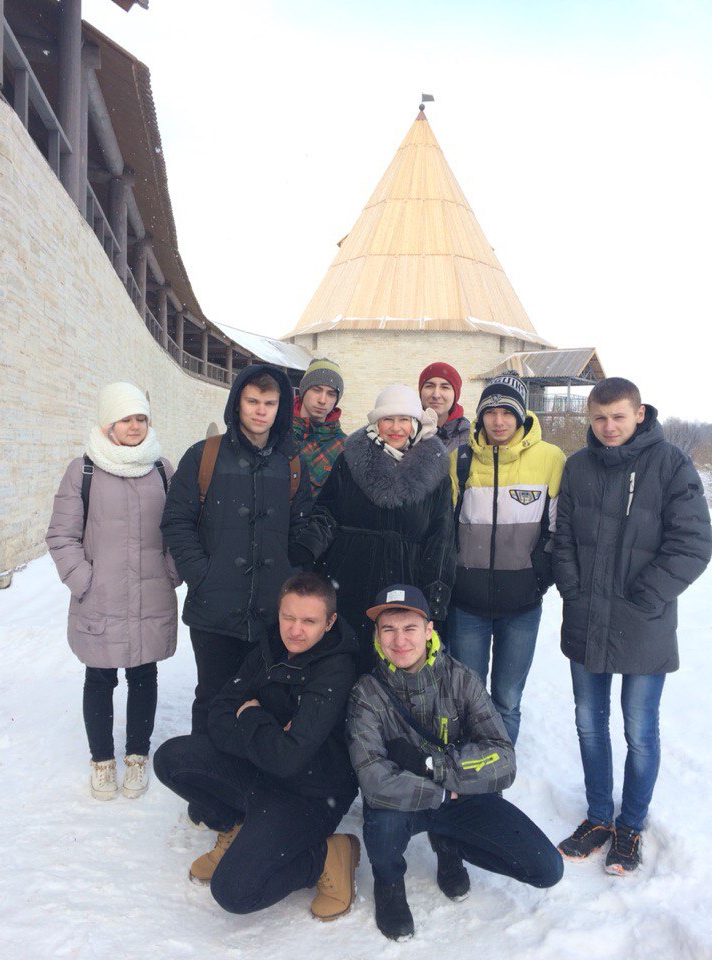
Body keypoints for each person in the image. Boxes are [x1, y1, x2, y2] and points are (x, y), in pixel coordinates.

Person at [554, 377, 711, 875]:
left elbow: (693, 543)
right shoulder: (578, 467)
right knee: (589, 723)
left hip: (644, 623)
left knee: (640, 730)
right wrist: (572, 588)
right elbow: (562, 536)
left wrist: (647, 595)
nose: (608, 427)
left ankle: (631, 825)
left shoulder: (670, 464)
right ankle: (599, 817)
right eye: (599, 418)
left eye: (618, 416)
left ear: (639, 414)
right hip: (586, 618)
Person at [346, 585, 563, 941]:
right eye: (389, 629)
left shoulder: (462, 679)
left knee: (545, 868)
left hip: (457, 790)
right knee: (382, 823)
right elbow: (373, 777)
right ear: (377, 634)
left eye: (409, 628)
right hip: (411, 799)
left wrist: (437, 767)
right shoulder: (366, 694)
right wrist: (441, 795)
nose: (399, 640)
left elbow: (503, 758)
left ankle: (448, 843)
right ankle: (389, 883)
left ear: (428, 630)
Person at [153, 573, 360, 920]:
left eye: (309, 621)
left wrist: (250, 714)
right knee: (171, 759)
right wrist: (271, 735)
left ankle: (325, 858)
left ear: (329, 622)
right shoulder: (272, 646)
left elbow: (288, 758)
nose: (295, 630)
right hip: (260, 770)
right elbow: (220, 713)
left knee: (234, 892)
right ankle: (237, 828)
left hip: (309, 795)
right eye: (288, 617)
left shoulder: (335, 670)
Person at [160, 364, 313, 737]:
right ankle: (203, 768)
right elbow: (176, 521)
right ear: (238, 403)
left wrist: (290, 575)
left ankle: (249, 769)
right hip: (214, 607)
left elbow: (302, 527)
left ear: (281, 407)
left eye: (269, 403)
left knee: (263, 700)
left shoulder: (292, 463)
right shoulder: (204, 456)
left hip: (272, 609)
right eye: (253, 401)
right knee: (212, 697)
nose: (261, 411)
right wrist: (201, 574)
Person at [46, 382, 179, 800]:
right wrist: (84, 580)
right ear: (108, 424)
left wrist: (171, 571)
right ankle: (102, 761)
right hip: (100, 597)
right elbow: (61, 535)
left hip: (150, 594)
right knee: (100, 677)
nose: (135, 426)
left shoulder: (162, 469)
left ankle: (137, 756)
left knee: (144, 675)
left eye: (141, 418)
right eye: (125, 419)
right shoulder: (83, 470)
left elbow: (182, 528)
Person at [297, 384, 456, 673]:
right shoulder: (350, 461)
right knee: (343, 659)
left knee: (395, 660)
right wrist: (306, 549)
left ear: (415, 423)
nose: (395, 428)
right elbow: (327, 511)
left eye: (404, 419)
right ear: (376, 422)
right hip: (348, 574)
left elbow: (441, 539)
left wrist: (435, 594)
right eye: (387, 419)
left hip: (406, 581)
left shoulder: (436, 472)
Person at [447, 372, 566, 745]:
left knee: (507, 699)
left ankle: (499, 766)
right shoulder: (460, 459)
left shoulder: (551, 459)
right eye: (490, 412)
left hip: (521, 606)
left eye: (507, 413)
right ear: (480, 415)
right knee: (468, 697)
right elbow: (445, 527)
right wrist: (455, 576)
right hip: (467, 606)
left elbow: (557, 529)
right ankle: (470, 766)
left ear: (522, 415)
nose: (498, 421)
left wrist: (537, 577)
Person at [293, 358, 346, 498]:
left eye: (331, 394)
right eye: (317, 390)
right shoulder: (276, 431)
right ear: (303, 390)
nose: (322, 400)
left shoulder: (343, 448)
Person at [418, 361, 470, 452]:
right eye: (429, 386)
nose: (436, 395)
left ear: (456, 394)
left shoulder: (471, 437)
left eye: (445, 387)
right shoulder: (405, 431)